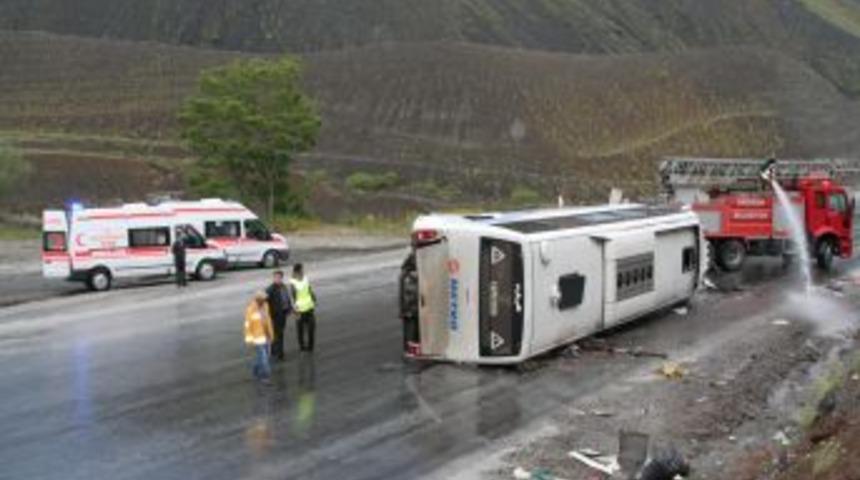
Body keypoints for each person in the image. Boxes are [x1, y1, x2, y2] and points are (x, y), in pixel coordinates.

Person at [244, 291, 274, 382]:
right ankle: (264, 377)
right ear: (258, 299)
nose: (265, 300)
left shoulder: (266, 306)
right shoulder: (250, 310)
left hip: (266, 336)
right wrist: (249, 340)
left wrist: (271, 334)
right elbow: (247, 325)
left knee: (261, 357)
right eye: (263, 299)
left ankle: (255, 371)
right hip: (257, 339)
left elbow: (268, 321)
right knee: (264, 359)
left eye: (265, 298)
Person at [266, 269, 293, 361]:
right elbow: (264, 300)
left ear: (282, 278)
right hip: (275, 315)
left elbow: (286, 298)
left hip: (283, 314)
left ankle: (274, 351)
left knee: (278, 333)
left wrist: (289, 308)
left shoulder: (283, 287)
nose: (277, 279)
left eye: (279, 277)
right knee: (279, 334)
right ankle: (280, 353)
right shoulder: (271, 289)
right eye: (275, 277)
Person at [290, 263, 317, 352]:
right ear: (297, 271)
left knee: (311, 328)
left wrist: (314, 299)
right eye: (302, 269)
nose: (303, 271)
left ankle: (310, 346)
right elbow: (293, 296)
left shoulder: (305, 278)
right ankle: (302, 346)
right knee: (300, 329)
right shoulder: (293, 282)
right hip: (300, 310)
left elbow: (309, 289)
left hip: (309, 308)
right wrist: (295, 309)